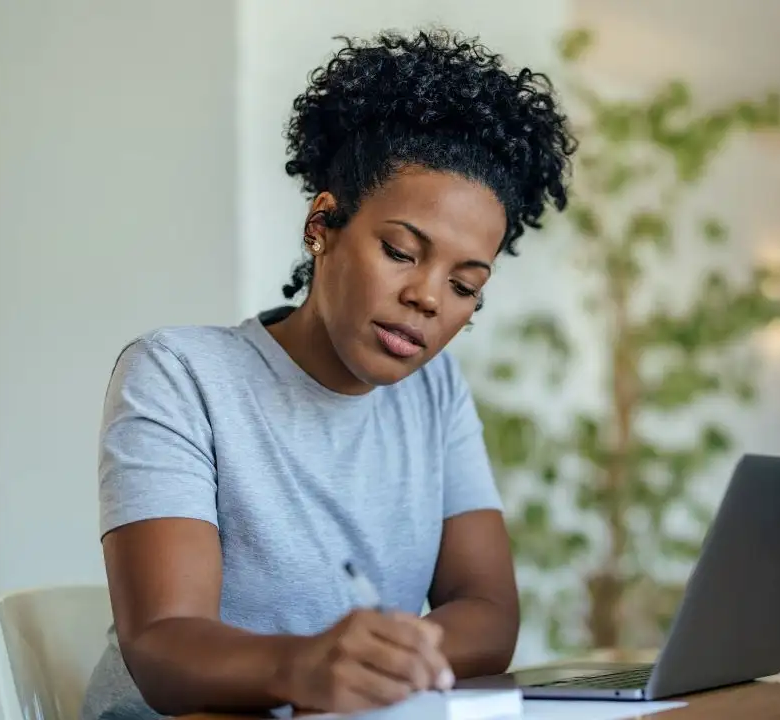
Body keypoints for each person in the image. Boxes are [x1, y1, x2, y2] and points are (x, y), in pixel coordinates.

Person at [80, 29, 574, 720]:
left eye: (465, 286)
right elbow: (163, 648)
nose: (429, 298)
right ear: (323, 223)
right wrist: (306, 666)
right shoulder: (179, 373)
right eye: (402, 251)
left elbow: (490, 613)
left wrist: (382, 664)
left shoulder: (436, 393)